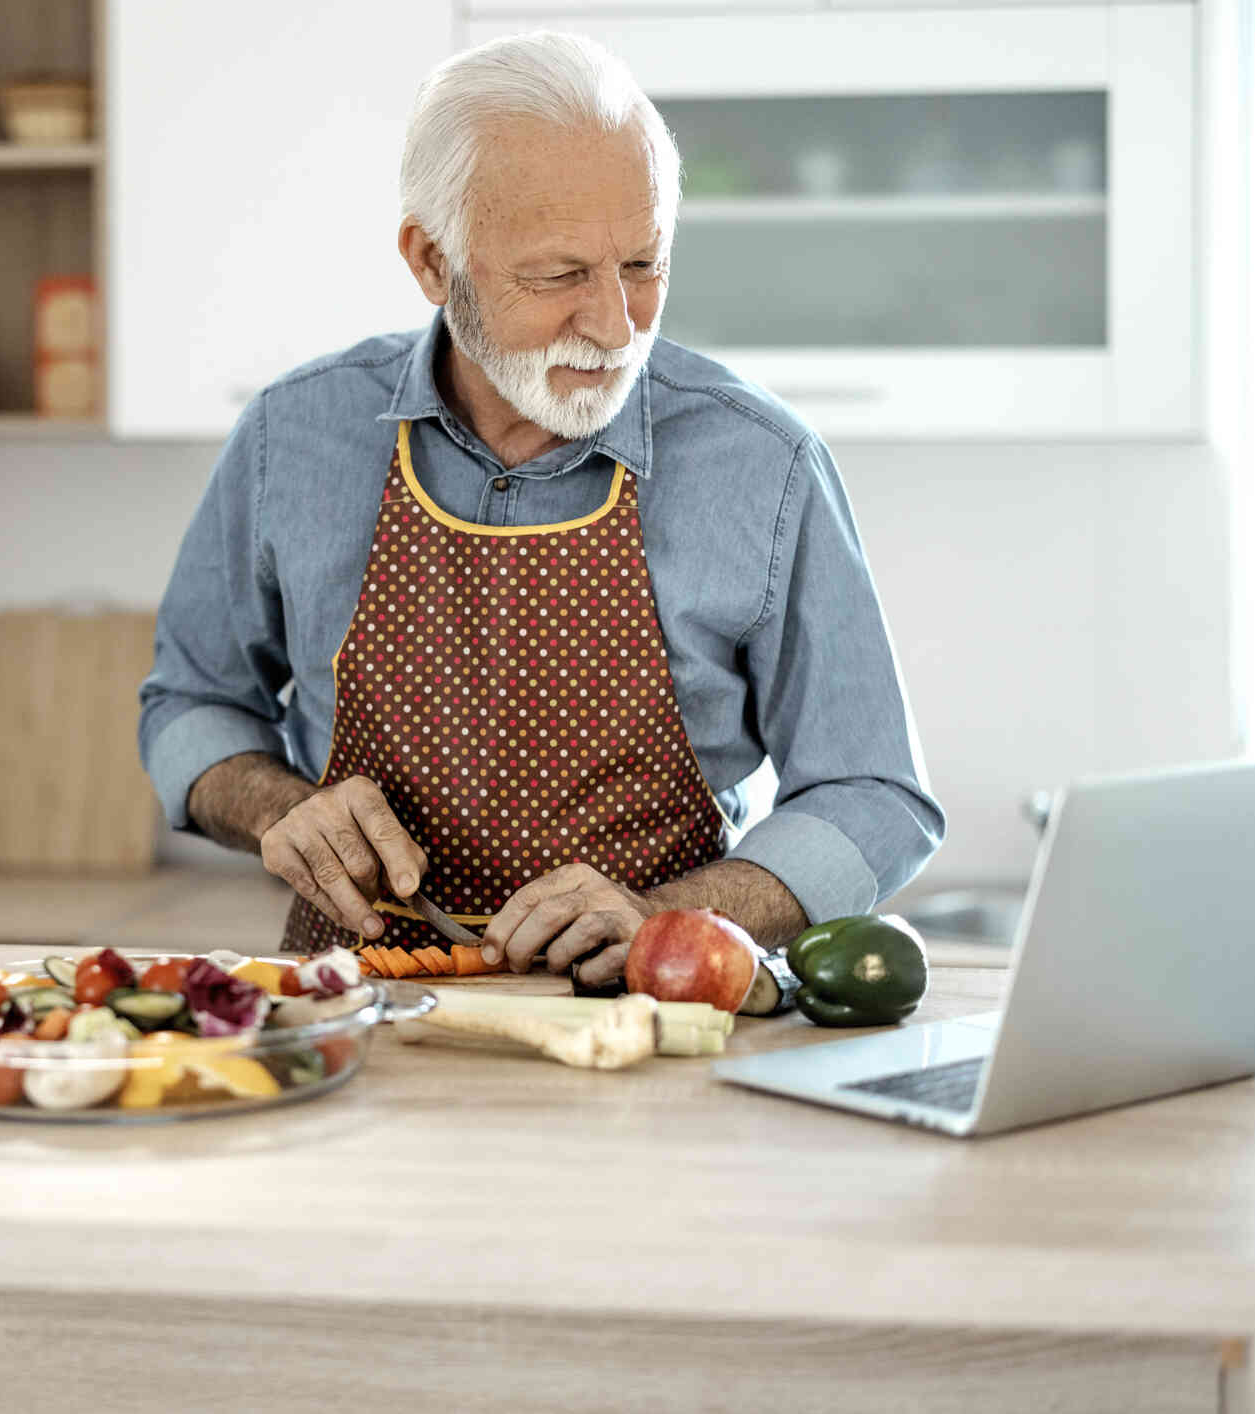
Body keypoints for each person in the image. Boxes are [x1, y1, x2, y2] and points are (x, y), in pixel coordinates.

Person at [137, 32, 943, 1012]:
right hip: (358, 1023)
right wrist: (281, 808)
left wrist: (662, 916)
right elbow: (189, 701)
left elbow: (873, 793)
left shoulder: (761, 462)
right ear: (432, 262)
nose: (613, 325)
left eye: (642, 262)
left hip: (644, 1028)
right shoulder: (291, 435)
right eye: (559, 275)